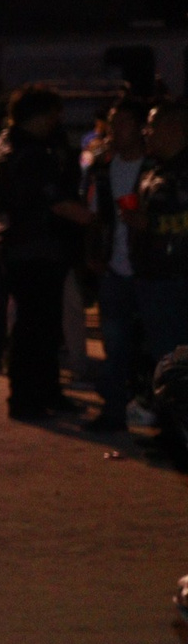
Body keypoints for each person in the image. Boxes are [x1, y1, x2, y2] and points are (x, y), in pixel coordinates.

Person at [0, 85, 90, 420]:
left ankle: (44, 392)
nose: (57, 121)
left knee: (39, 325)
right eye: (54, 114)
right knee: (35, 327)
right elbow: (57, 202)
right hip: (36, 248)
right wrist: (96, 221)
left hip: (18, 246)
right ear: (41, 116)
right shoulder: (31, 153)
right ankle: (26, 399)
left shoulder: (2, 146)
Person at [79, 95, 150, 430]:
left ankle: (159, 414)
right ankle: (114, 411)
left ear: (141, 127)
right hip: (115, 268)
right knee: (115, 344)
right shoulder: (104, 170)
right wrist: (93, 254)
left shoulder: (157, 167)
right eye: (112, 123)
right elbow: (94, 216)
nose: (115, 130)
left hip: (152, 269)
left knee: (155, 345)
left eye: (123, 123)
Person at [129, 100, 188, 444]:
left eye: (152, 126)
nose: (146, 133)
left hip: (174, 279)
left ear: (173, 129)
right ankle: (169, 433)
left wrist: (148, 223)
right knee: (163, 361)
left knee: (174, 363)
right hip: (154, 277)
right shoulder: (154, 168)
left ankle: (176, 436)